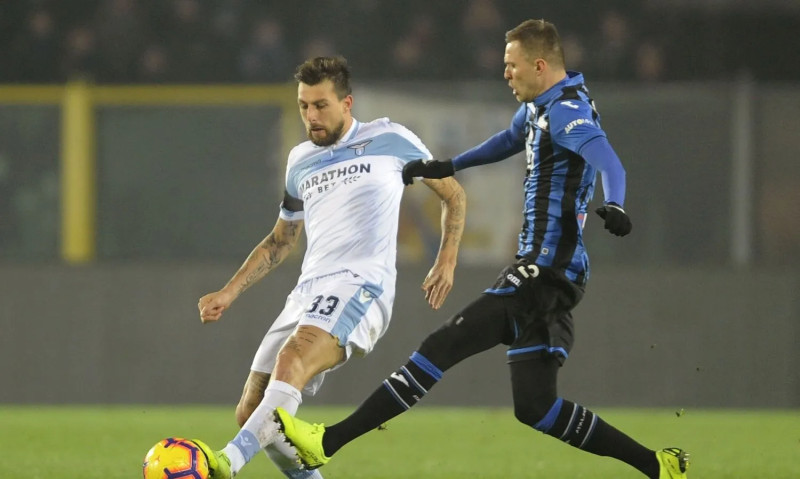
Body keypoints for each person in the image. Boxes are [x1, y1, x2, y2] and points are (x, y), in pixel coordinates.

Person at [274, 19, 690, 479]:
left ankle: (326, 442)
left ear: (538, 64)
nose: (505, 74)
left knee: (442, 344)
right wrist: (449, 164)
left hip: (548, 272)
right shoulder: (538, 109)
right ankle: (659, 466)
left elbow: (608, 159)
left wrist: (615, 202)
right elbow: (507, 142)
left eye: (511, 66)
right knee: (537, 408)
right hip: (548, 272)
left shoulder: (568, 112)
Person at [192, 56, 466, 479]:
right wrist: (228, 291)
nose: (311, 116)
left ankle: (226, 463)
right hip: (307, 292)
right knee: (251, 410)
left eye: (320, 105)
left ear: (347, 103)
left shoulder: (392, 139)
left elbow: (453, 196)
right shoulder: (300, 160)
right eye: (303, 106)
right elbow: (282, 240)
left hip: (361, 286)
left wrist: (446, 259)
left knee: (294, 358)